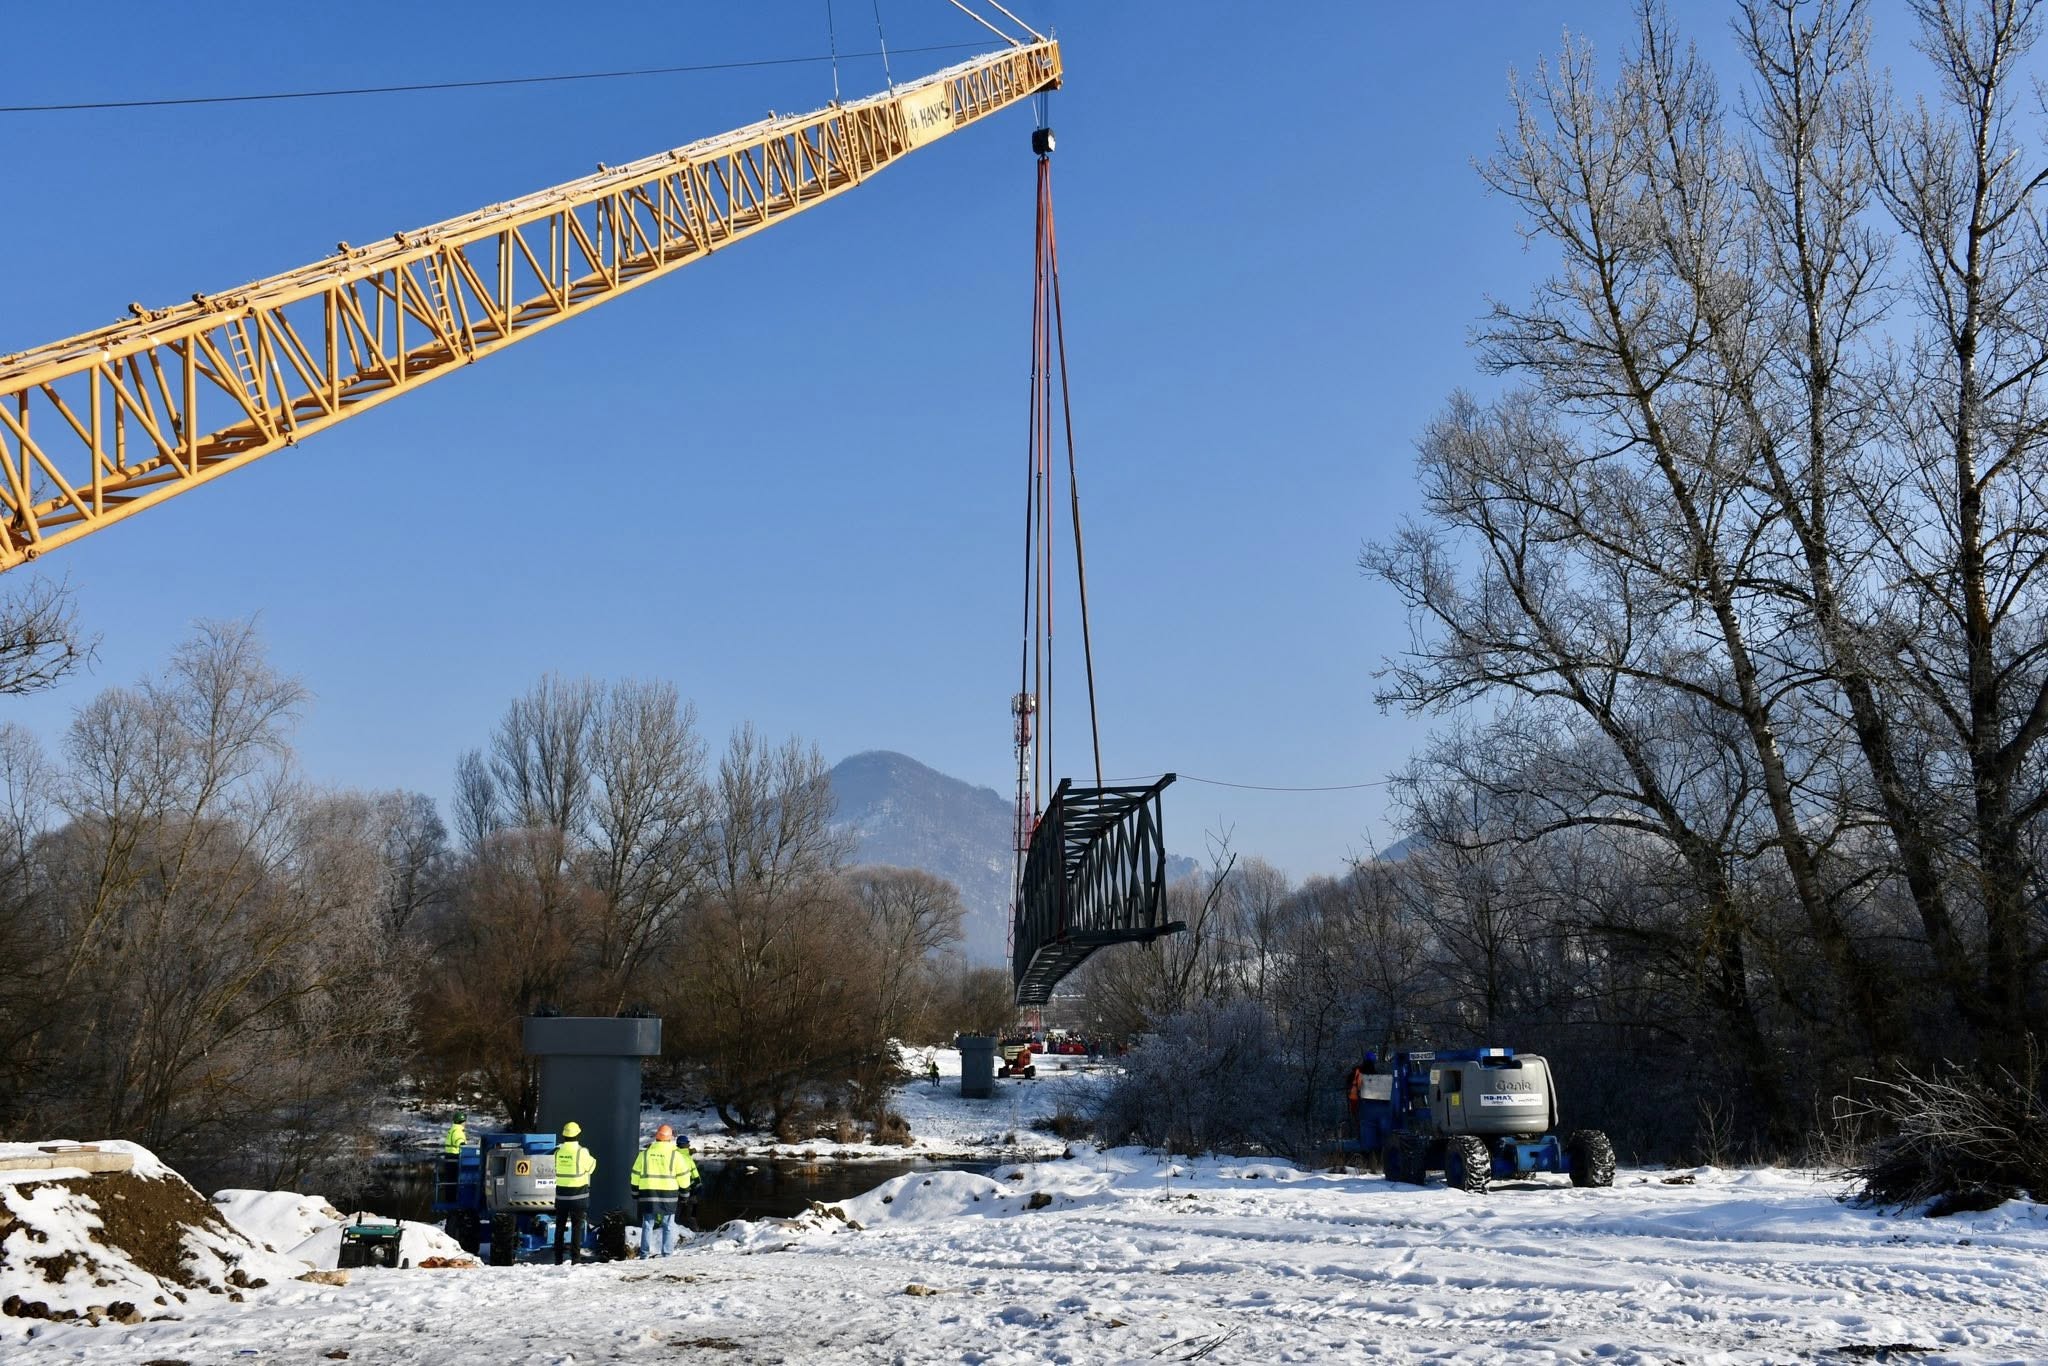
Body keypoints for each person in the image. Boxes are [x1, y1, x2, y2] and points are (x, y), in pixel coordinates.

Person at [631, 1124, 685, 1257]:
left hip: (648, 1193)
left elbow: (635, 1174)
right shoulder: (675, 1155)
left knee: (647, 1224)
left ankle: (644, 1254)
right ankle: (667, 1254)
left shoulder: (644, 1154)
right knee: (668, 1225)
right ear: (670, 1138)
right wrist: (685, 1193)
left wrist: (635, 1192)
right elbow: (684, 1176)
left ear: (657, 1137)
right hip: (669, 1195)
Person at [553, 1120, 596, 1265]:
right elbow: (591, 1167)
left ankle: (558, 1259)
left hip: (561, 1196)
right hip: (578, 1196)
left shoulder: (558, 1152)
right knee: (577, 1227)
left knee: (560, 1226)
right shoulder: (581, 1152)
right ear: (578, 1135)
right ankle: (575, 1259)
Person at [674, 1132, 703, 1231]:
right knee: (688, 1209)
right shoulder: (682, 1157)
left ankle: (680, 1228)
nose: (689, 1145)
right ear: (683, 1145)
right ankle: (693, 1230)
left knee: (681, 1209)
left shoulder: (681, 1156)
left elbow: (694, 1171)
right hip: (686, 1188)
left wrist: (698, 1183)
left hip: (685, 1187)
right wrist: (697, 1184)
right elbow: (691, 1173)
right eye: (687, 1143)